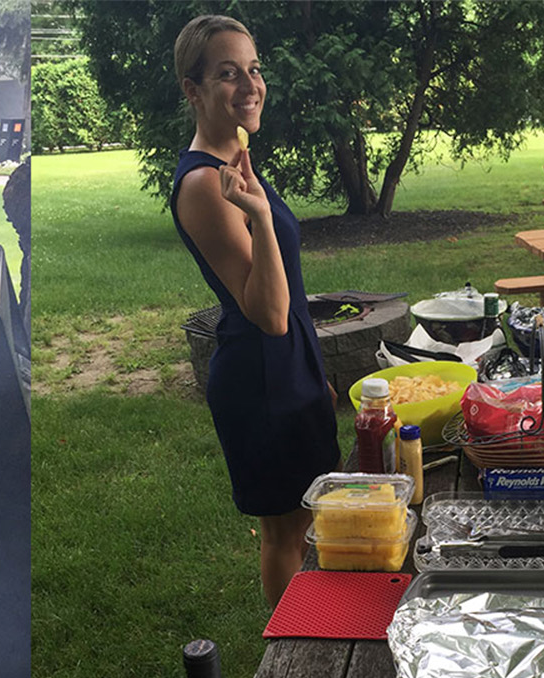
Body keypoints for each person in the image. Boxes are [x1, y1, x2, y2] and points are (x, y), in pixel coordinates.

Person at [169, 14, 340, 608]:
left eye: (254, 69)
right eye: (227, 73)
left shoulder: (235, 164)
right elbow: (267, 311)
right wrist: (263, 217)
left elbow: (283, 290)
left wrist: (313, 367)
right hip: (259, 377)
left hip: (289, 366)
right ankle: (294, 662)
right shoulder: (202, 185)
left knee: (309, 519)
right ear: (193, 90)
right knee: (284, 533)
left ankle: (314, 634)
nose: (250, 85)